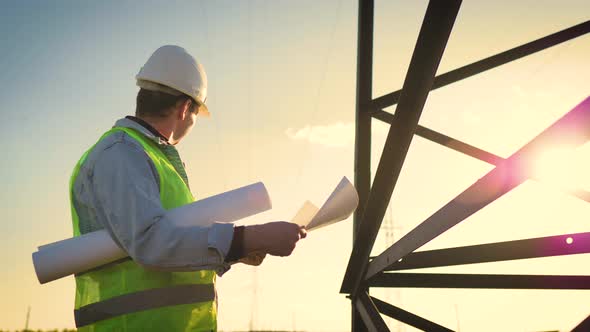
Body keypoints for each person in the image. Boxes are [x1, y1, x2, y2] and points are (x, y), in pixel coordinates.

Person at [70, 45, 306, 331]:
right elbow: (151, 243)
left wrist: (242, 248)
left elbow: (166, 243)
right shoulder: (121, 153)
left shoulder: (146, 157)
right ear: (184, 109)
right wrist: (247, 237)